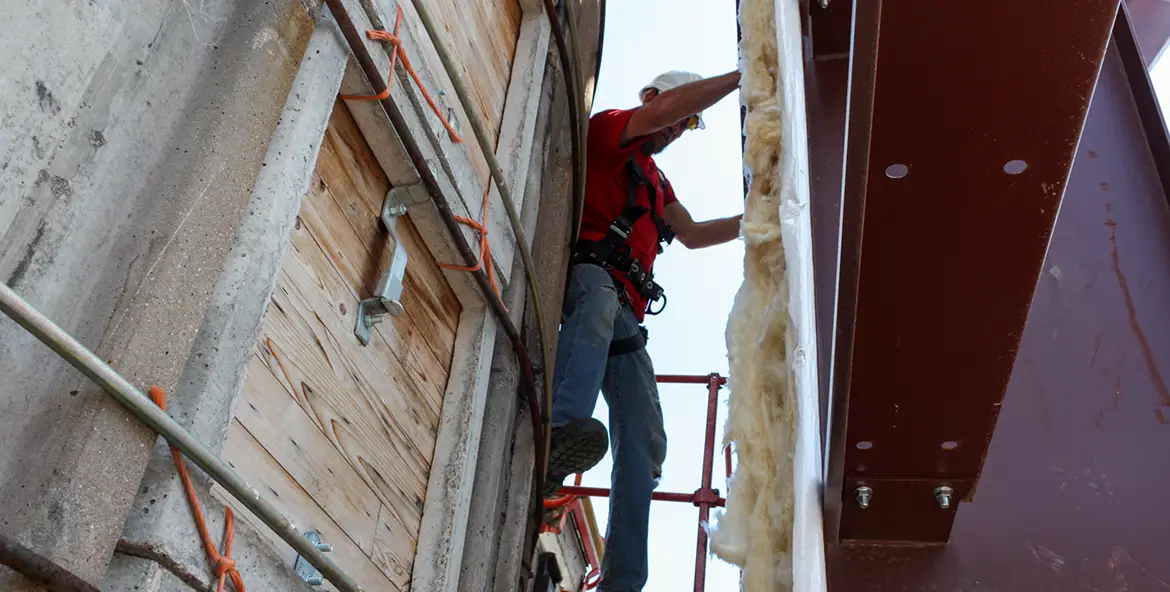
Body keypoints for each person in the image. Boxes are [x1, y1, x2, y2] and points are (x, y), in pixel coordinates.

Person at [544, 69, 744, 591]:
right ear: (656, 98)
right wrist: (745, 77)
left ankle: (623, 582)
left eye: (690, 124)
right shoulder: (611, 129)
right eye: (681, 115)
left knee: (646, 441)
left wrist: (762, 221)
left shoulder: (658, 183)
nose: (680, 128)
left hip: (624, 313)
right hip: (590, 279)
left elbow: (695, 234)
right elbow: (655, 117)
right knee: (596, 312)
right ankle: (559, 435)